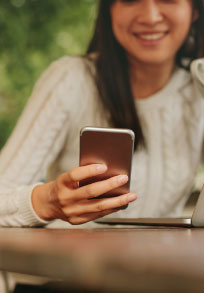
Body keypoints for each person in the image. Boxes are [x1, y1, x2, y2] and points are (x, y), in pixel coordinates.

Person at [0, 0, 204, 228]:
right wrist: (46, 201)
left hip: (161, 262)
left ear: (194, 10)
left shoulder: (198, 88)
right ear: (109, 10)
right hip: (71, 261)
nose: (150, 17)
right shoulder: (71, 80)